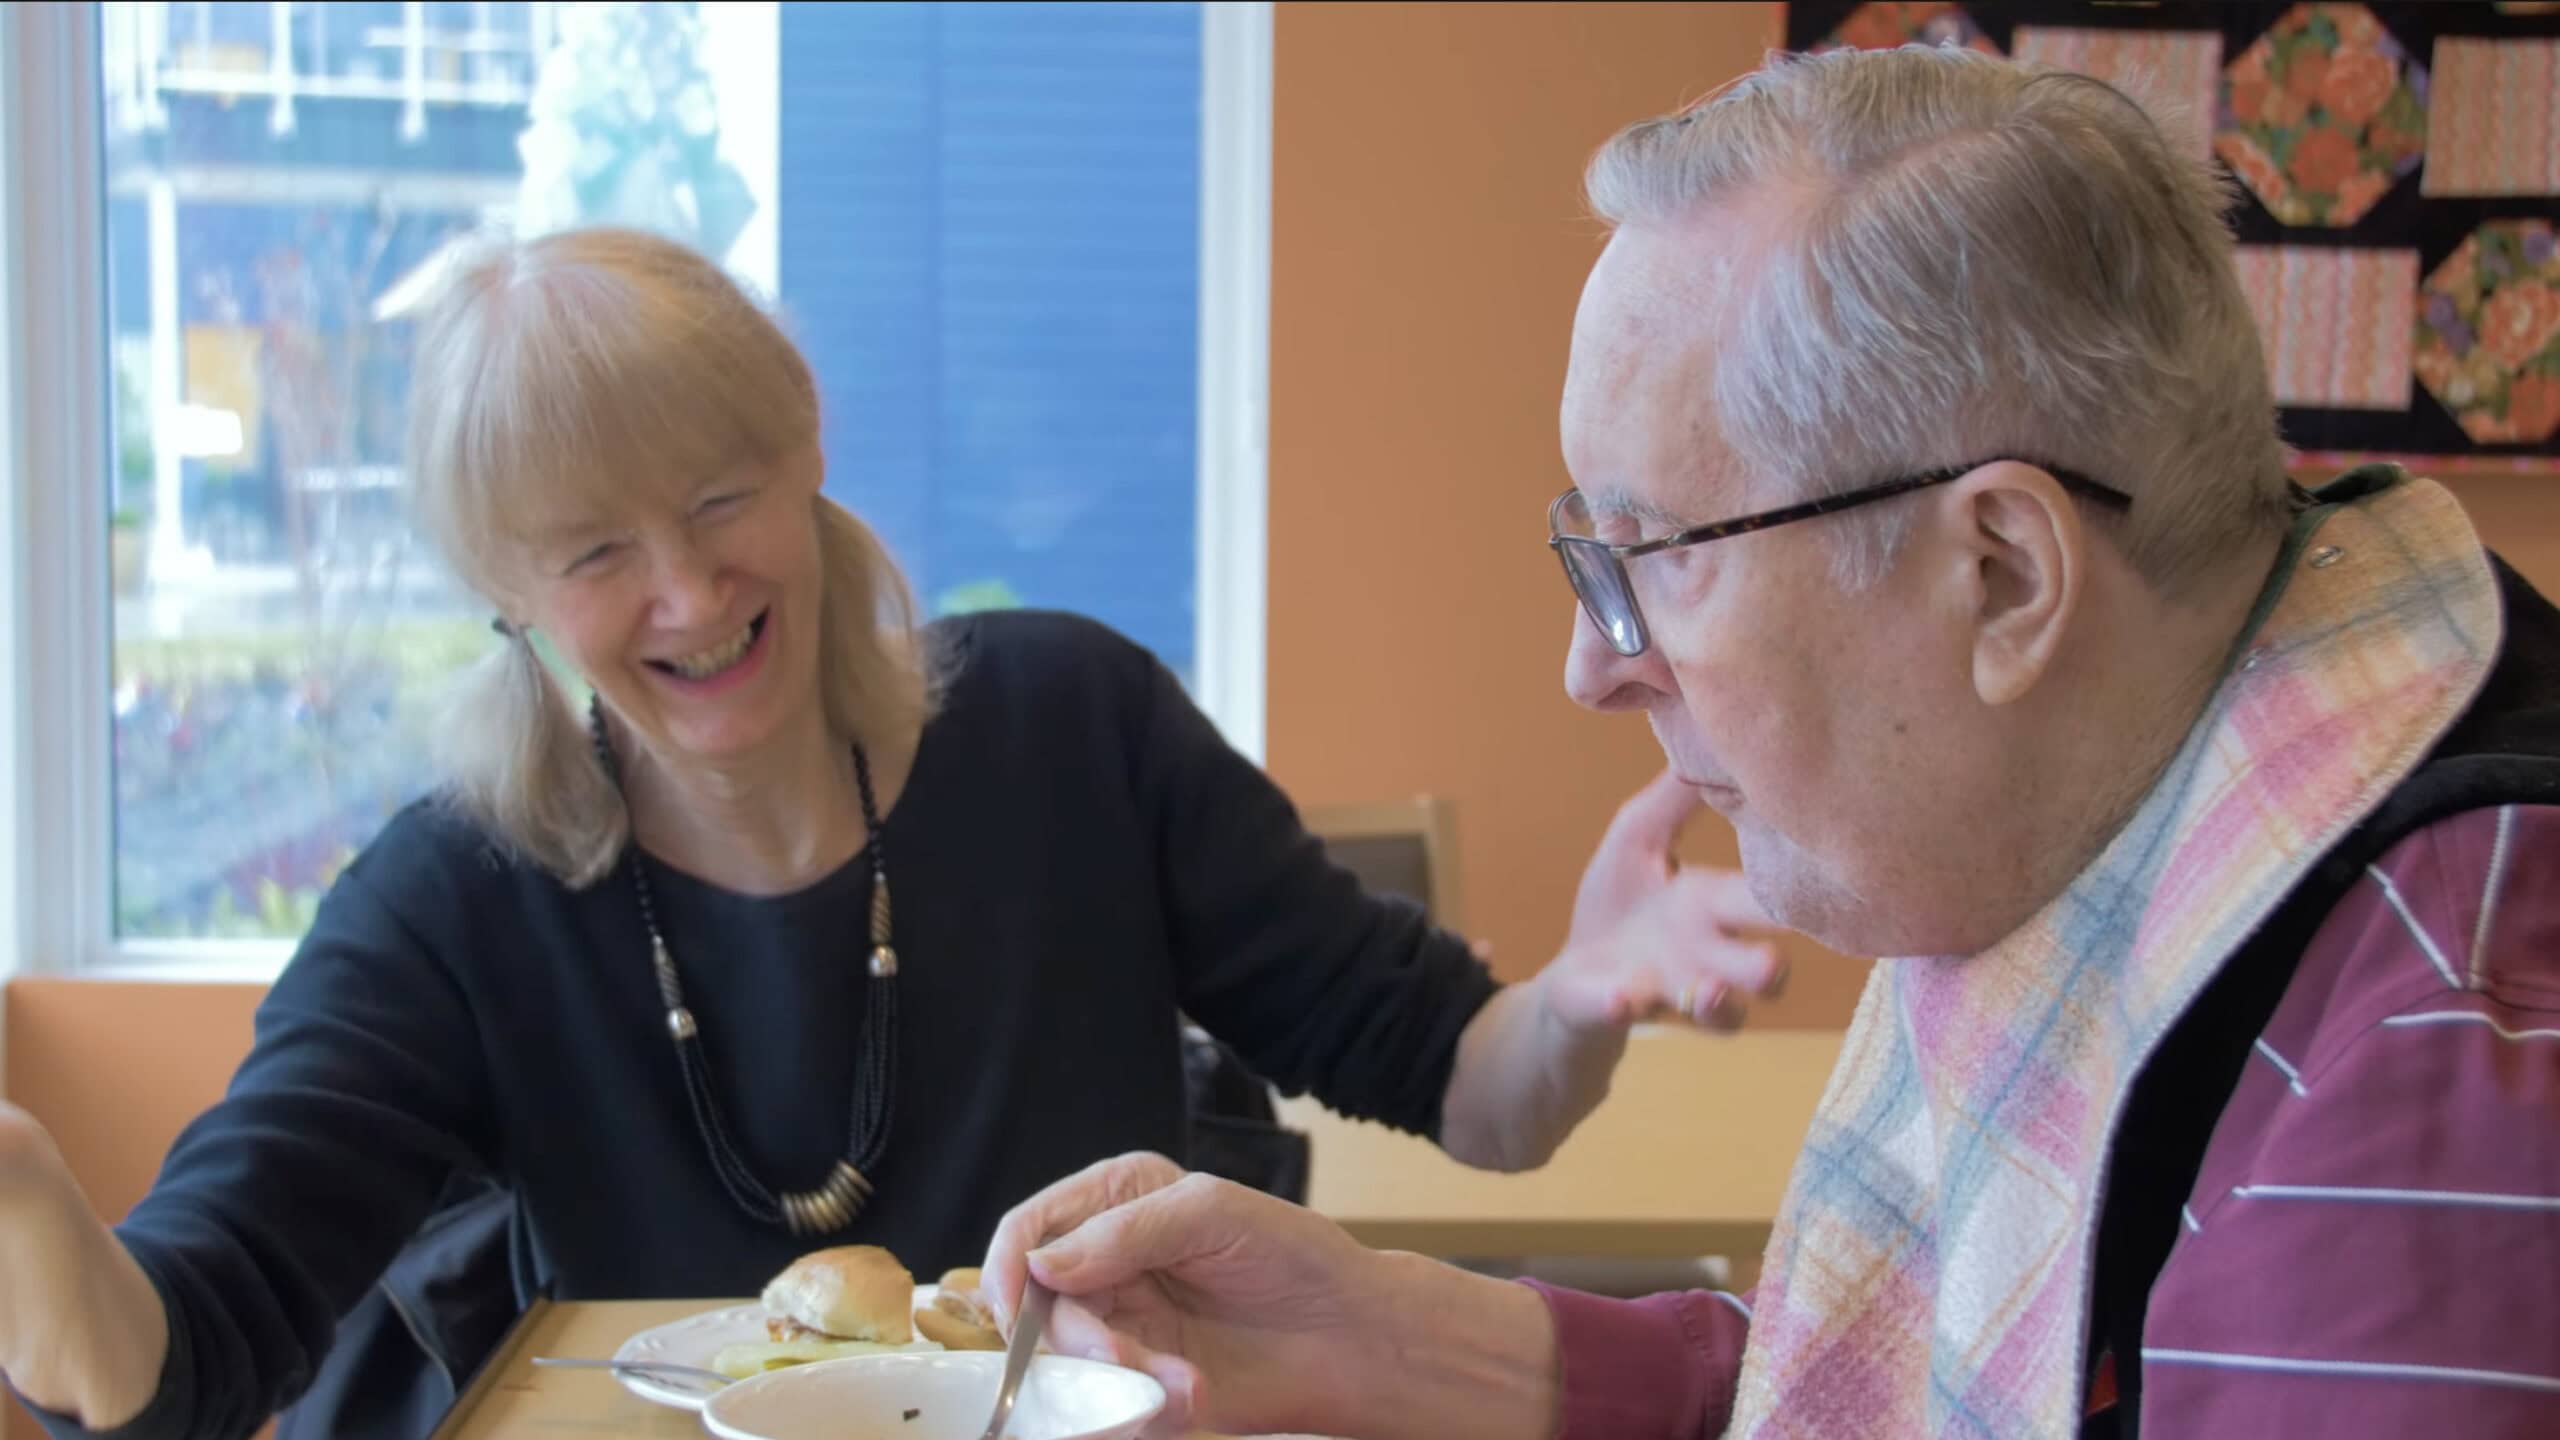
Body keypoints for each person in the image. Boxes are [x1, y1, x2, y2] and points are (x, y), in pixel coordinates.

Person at [981, 45, 2560, 1440]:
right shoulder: (2165, 777)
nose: (1592, 674)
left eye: (1651, 558)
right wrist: (1389, 1334)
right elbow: (1933, 1388)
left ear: (2001, 573)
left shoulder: (2432, 1087)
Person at [0, 226, 1788, 1440]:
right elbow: (183, 1356)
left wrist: (1575, 1000)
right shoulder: (455, 895)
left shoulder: (1070, 724)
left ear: (806, 456)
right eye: (596, 553)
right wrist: (27, 1208)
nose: (693, 591)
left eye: (721, 499)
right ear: (510, 596)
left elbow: (1473, 1096)